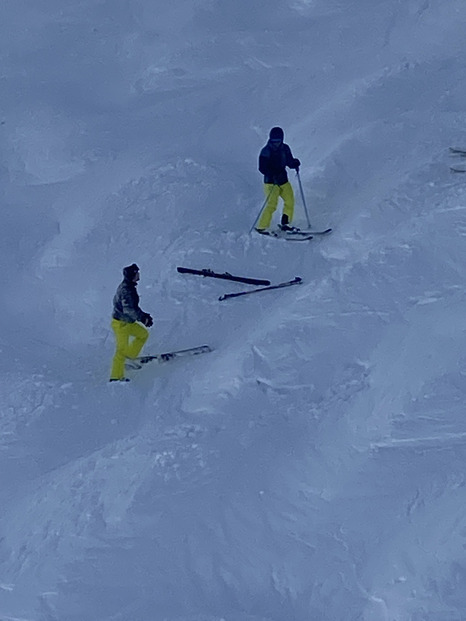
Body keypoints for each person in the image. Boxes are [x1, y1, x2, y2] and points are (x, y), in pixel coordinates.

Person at [109, 263, 153, 382]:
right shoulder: (127, 290)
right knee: (121, 351)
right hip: (121, 324)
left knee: (143, 334)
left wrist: (143, 316)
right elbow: (129, 309)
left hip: (127, 322)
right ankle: (115, 377)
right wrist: (143, 318)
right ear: (133, 275)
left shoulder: (129, 287)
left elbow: (132, 308)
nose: (139, 274)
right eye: (137, 272)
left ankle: (130, 357)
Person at [256, 126, 301, 232]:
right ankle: (261, 227)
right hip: (271, 182)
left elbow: (289, 161)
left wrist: (294, 163)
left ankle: (286, 223)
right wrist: (272, 174)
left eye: (278, 141)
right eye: (274, 141)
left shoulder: (285, 148)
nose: (276, 143)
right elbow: (262, 168)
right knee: (272, 204)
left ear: (282, 139)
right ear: (270, 139)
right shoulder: (265, 151)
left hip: (282, 180)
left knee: (290, 200)